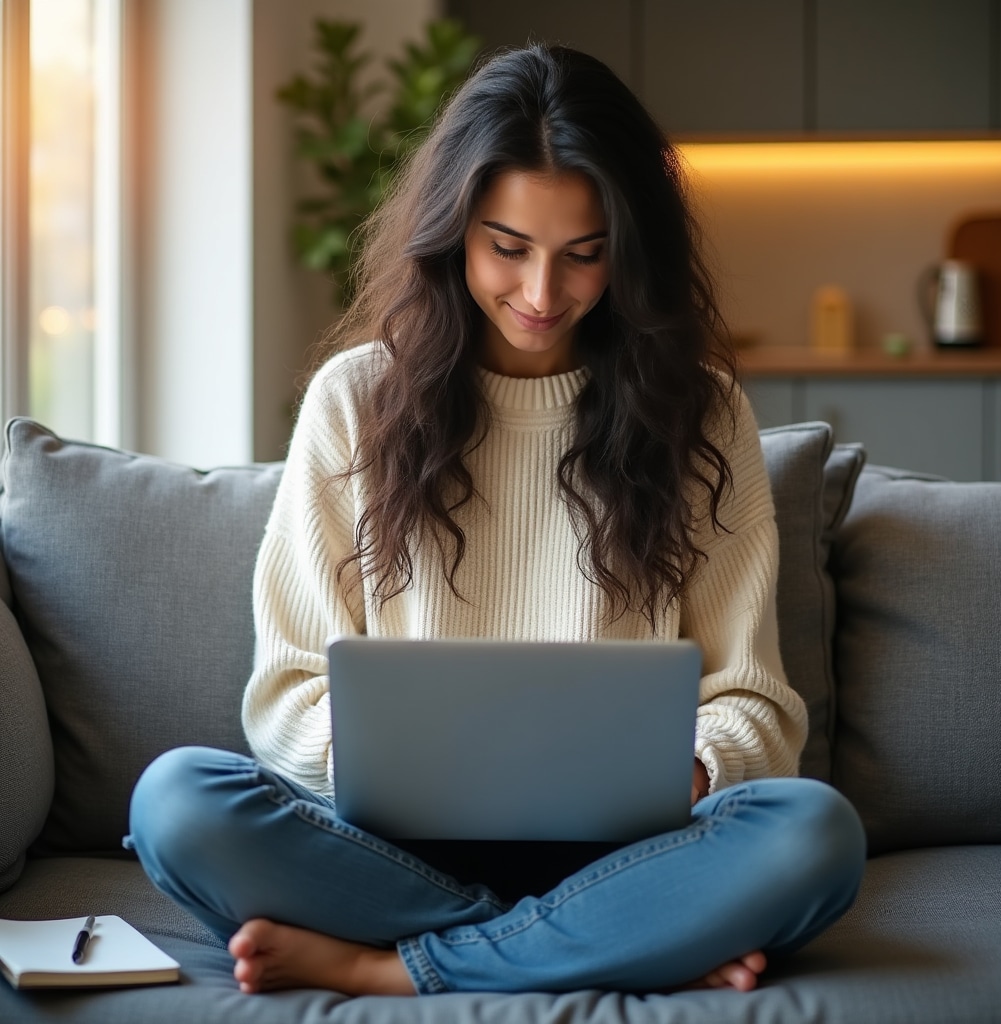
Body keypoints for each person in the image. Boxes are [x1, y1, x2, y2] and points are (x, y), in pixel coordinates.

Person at [126, 43, 865, 998]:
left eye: (584, 255)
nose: (543, 295)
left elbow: (755, 706)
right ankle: (613, 942)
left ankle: (388, 967)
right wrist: (399, 769)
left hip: (628, 852)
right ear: (453, 232)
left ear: (629, 251)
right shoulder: (355, 401)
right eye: (507, 249)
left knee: (814, 834)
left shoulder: (702, 413)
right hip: (391, 852)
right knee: (178, 802)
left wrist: (680, 773)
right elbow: (286, 695)